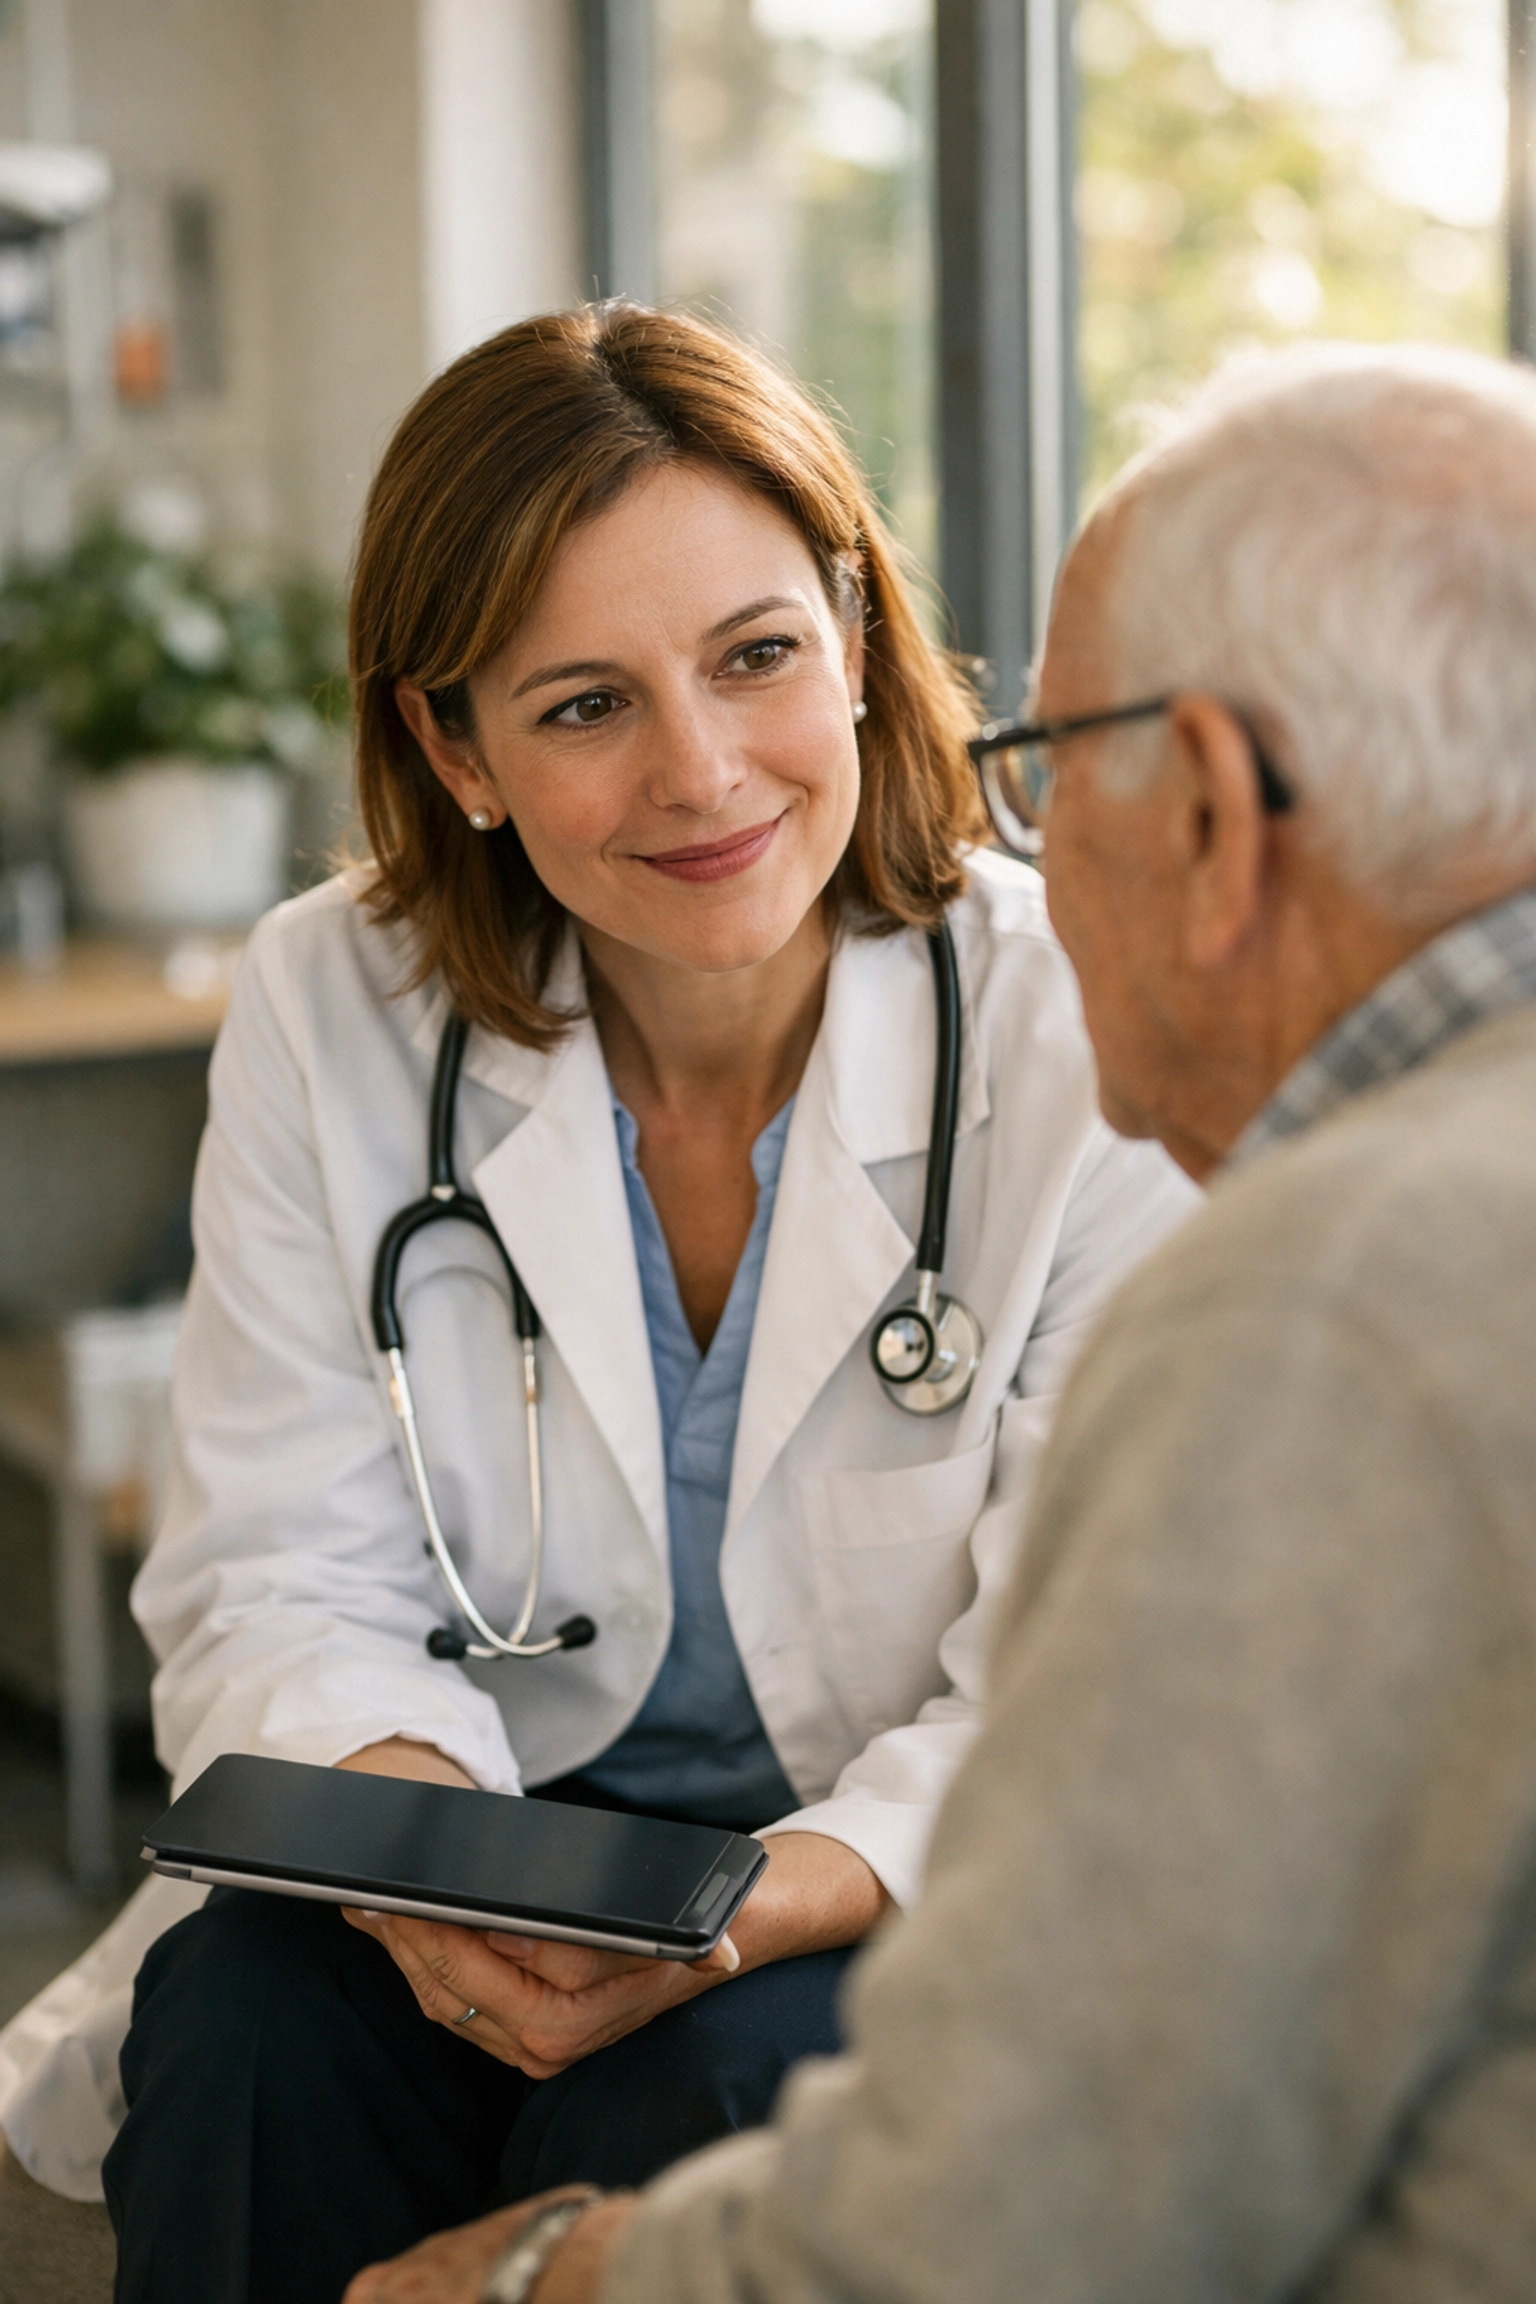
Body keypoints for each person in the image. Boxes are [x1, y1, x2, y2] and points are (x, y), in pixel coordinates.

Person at [0, 304, 1196, 2301]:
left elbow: (1096, 1684)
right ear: (452, 748)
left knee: (703, 2106)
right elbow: (272, 1576)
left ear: (852, 630)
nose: (703, 773)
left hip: (891, 1875)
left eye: (754, 657)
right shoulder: (335, 1002)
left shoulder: (1077, 1010)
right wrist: (442, 1888)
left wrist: (727, 1913)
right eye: (582, 707)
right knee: (251, 2035)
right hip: (475, 1853)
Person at [346, 338, 1536, 2304]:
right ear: (455, 747)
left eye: (1053, 782)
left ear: (1218, 816)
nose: (1026, 864)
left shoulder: (1339, 1312)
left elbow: (1024, 2215)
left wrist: (523, 2280)